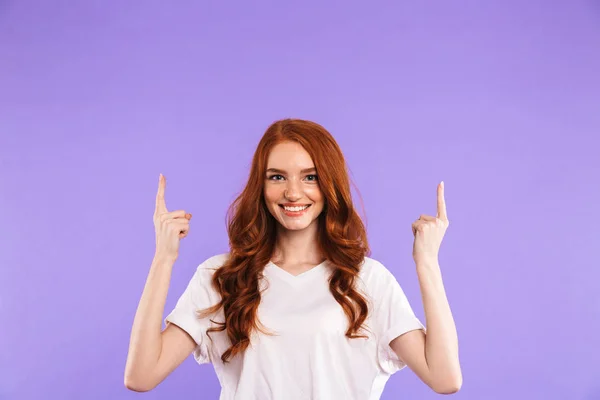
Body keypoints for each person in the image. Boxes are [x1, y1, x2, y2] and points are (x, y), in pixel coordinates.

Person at [124, 119, 462, 399]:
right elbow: (141, 375)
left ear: (330, 184)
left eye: (309, 176)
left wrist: (427, 262)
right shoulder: (221, 276)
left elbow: (445, 379)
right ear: (261, 185)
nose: (293, 192)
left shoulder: (367, 281)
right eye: (277, 176)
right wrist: (163, 258)